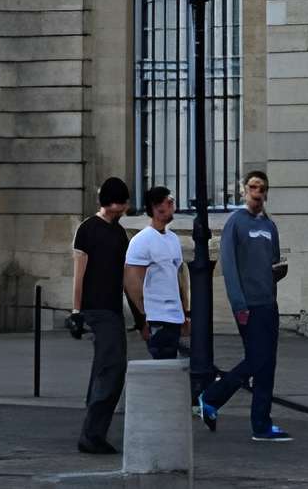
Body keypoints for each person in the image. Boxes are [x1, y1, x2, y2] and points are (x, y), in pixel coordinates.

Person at [197, 170, 290, 442]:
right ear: (243, 191)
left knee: (266, 364)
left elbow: (272, 264)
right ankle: (211, 397)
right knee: (256, 360)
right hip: (248, 305)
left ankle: (261, 424)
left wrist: (278, 273)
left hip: (268, 304)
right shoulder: (235, 223)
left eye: (261, 188)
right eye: (252, 187)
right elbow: (229, 267)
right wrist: (239, 304)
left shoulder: (270, 227)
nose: (257, 193)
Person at [67, 177, 133, 456]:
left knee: (106, 370)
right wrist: (76, 311)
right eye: (124, 203)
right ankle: (92, 434)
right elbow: (78, 274)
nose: (126, 208)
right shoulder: (87, 229)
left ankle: (94, 430)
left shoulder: (120, 234)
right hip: (97, 310)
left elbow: (126, 278)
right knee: (112, 368)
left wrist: (138, 316)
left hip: (113, 310)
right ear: (115, 202)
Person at [122, 186, 187, 362]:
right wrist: (143, 319)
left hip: (174, 317)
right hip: (157, 318)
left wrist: (184, 313)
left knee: (174, 366)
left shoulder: (173, 238)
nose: (173, 207)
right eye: (169, 202)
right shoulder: (142, 241)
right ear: (156, 207)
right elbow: (132, 281)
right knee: (163, 366)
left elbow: (179, 276)